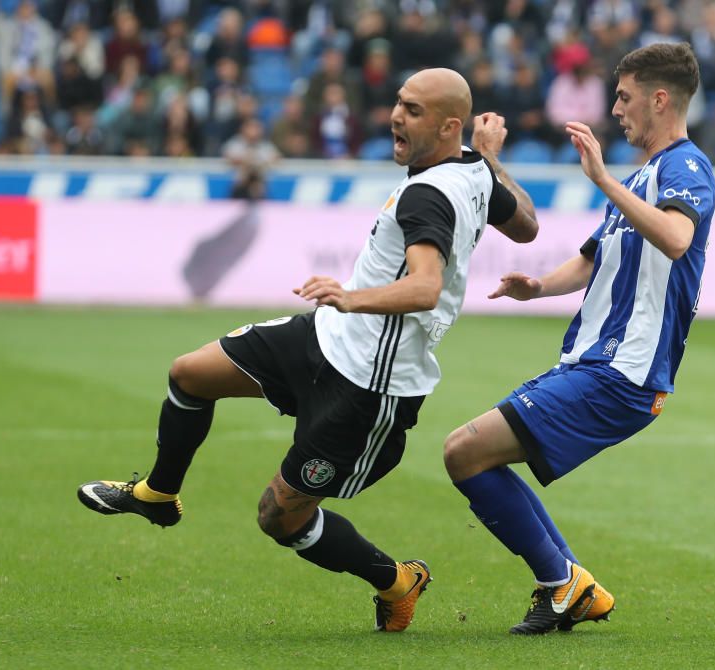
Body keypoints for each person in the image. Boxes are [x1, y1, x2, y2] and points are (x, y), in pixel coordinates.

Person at [78, 67, 538, 632]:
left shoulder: (427, 194)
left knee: (279, 516)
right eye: (398, 102)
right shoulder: (470, 167)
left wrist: (350, 296)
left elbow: (426, 288)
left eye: (413, 111)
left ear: (448, 127)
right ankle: (157, 493)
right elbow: (528, 227)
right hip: (324, 339)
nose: (396, 116)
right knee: (190, 374)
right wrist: (489, 158)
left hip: (369, 386)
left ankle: (396, 580)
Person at [442, 42, 715, 635]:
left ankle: (564, 581)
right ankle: (567, 584)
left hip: (625, 372)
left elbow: (674, 238)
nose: (614, 109)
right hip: (592, 362)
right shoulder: (646, 175)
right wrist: (537, 287)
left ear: (659, 98)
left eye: (624, 97)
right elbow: (594, 259)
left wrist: (601, 179)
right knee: (471, 456)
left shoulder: (685, 168)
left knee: (464, 451)